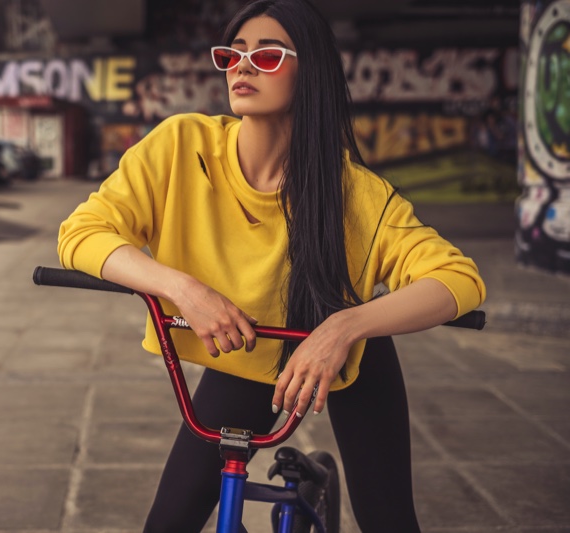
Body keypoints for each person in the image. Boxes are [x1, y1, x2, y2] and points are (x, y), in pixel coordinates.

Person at [58, 1, 486, 531]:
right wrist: (183, 288)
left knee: (388, 519)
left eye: (267, 55)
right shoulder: (180, 146)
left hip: (346, 361)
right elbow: (81, 233)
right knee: (167, 522)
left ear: (312, 71)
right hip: (248, 353)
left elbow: (457, 278)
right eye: (233, 55)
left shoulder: (355, 193)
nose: (242, 67)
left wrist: (344, 326)